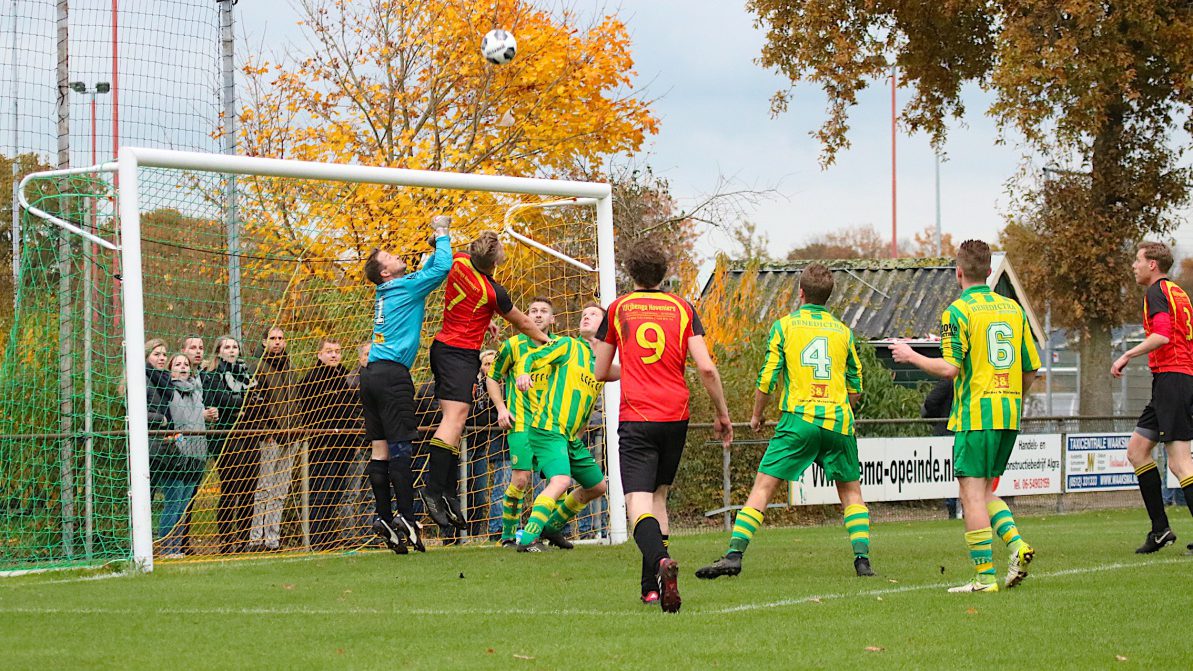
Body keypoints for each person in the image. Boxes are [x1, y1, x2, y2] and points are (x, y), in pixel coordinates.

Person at [696, 263, 875, 580]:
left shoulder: (785, 326)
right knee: (851, 493)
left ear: (801, 293)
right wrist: (840, 412)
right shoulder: (843, 332)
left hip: (798, 420)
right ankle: (862, 561)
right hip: (838, 421)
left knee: (763, 487)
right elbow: (856, 387)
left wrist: (756, 415)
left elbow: (767, 378)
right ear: (828, 296)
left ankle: (734, 555)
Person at [890, 239, 1040, 593]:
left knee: (970, 495)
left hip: (976, 415)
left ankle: (984, 578)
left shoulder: (957, 311)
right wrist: (1013, 397)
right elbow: (1031, 368)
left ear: (958, 273)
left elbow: (949, 368)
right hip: (1008, 414)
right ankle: (1017, 545)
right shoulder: (1013, 310)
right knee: (984, 491)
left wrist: (911, 355)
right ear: (989, 271)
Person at [593, 240, 733, 613]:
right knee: (659, 499)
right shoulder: (683, 307)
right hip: (676, 416)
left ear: (630, 272)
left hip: (638, 416)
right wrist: (722, 413)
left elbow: (601, 371)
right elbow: (706, 368)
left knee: (637, 505)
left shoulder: (619, 308)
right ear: (663, 272)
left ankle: (660, 564)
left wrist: (632, 369)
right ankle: (651, 588)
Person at [420, 231, 550, 532]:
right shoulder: (494, 292)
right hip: (459, 354)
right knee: (454, 420)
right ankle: (433, 490)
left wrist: (438, 236)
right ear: (495, 262)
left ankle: (448, 492)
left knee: (454, 424)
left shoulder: (459, 260)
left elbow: (460, 285)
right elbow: (523, 322)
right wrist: (548, 342)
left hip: (442, 347)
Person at [359, 215, 452, 554]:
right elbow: (442, 268)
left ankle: (384, 518)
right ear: (385, 272)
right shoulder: (404, 286)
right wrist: (442, 232)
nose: (397, 256)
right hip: (392, 376)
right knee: (401, 449)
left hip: (371, 375)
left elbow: (425, 270)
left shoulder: (391, 289)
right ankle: (408, 518)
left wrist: (433, 248)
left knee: (380, 450)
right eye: (390, 257)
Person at [1110, 241, 1193, 554]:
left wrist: (1126, 354)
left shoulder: (1156, 292)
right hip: (1172, 380)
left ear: (1152, 265)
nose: (1134, 265)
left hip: (1173, 379)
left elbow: (1162, 335)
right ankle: (1160, 530)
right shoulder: (1178, 292)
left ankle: (1161, 529)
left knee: (1180, 463)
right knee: (1137, 451)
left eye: (1137, 260)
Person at [512, 303, 614, 552]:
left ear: (605, 327)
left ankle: (552, 527)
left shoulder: (602, 364)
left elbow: (628, 372)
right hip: (548, 428)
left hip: (569, 438)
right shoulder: (568, 346)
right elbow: (530, 357)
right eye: (584, 314)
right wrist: (523, 373)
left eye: (593, 315)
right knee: (560, 481)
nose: (586, 317)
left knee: (597, 486)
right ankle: (528, 539)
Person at [485, 297, 556, 546]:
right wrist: (501, 409)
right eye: (533, 311)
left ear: (552, 319)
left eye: (544, 311)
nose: (538, 315)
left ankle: (550, 532)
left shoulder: (559, 347)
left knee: (556, 480)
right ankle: (507, 535)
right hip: (521, 423)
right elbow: (492, 377)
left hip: (552, 425)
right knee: (521, 479)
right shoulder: (513, 345)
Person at [296, 338, 364, 551]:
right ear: (319, 354)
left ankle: (328, 535)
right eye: (329, 351)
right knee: (320, 491)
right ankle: (316, 538)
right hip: (322, 445)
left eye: (337, 351)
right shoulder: (311, 380)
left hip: (344, 445)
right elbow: (307, 413)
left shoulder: (344, 377)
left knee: (336, 492)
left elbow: (349, 410)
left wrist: (353, 436)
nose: (334, 355)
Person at [202, 335, 258, 554]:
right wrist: (243, 403)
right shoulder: (212, 375)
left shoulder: (246, 373)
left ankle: (243, 540)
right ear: (219, 351)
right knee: (230, 487)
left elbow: (258, 401)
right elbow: (222, 400)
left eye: (235, 347)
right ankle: (226, 541)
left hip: (249, 435)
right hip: (225, 437)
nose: (232, 350)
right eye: (227, 347)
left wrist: (245, 404)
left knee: (248, 489)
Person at [243, 326, 296, 552]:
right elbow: (254, 402)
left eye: (280, 338)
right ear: (264, 342)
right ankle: (256, 539)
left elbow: (295, 402)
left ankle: (272, 539)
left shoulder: (289, 368)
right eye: (272, 338)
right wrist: (265, 430)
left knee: (280, 492)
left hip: (291, 436)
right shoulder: (257, 366)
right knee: (263, 490)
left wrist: (296, 428)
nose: (277, 342)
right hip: (269, 437)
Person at [158, 352, 210, 557]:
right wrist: (178, 441)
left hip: (197, 454)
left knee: (183, 506)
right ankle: (166, 548)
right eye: (178, 364)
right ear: (170, 369)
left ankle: (177, 549)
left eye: (186, 364)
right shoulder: (167, 390)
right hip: (176, 454)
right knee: (173, 502)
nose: (183, 367)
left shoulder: (197, 391)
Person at [923, 378, 960, 519]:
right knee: (950, 471)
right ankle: (953, 508)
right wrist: (939, 418)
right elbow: (931, 402)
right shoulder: (950, 381)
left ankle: (958, 508)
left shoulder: (952, 380)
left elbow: (931, 401)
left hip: (955, 431)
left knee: (957, 471)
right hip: (948, 432)